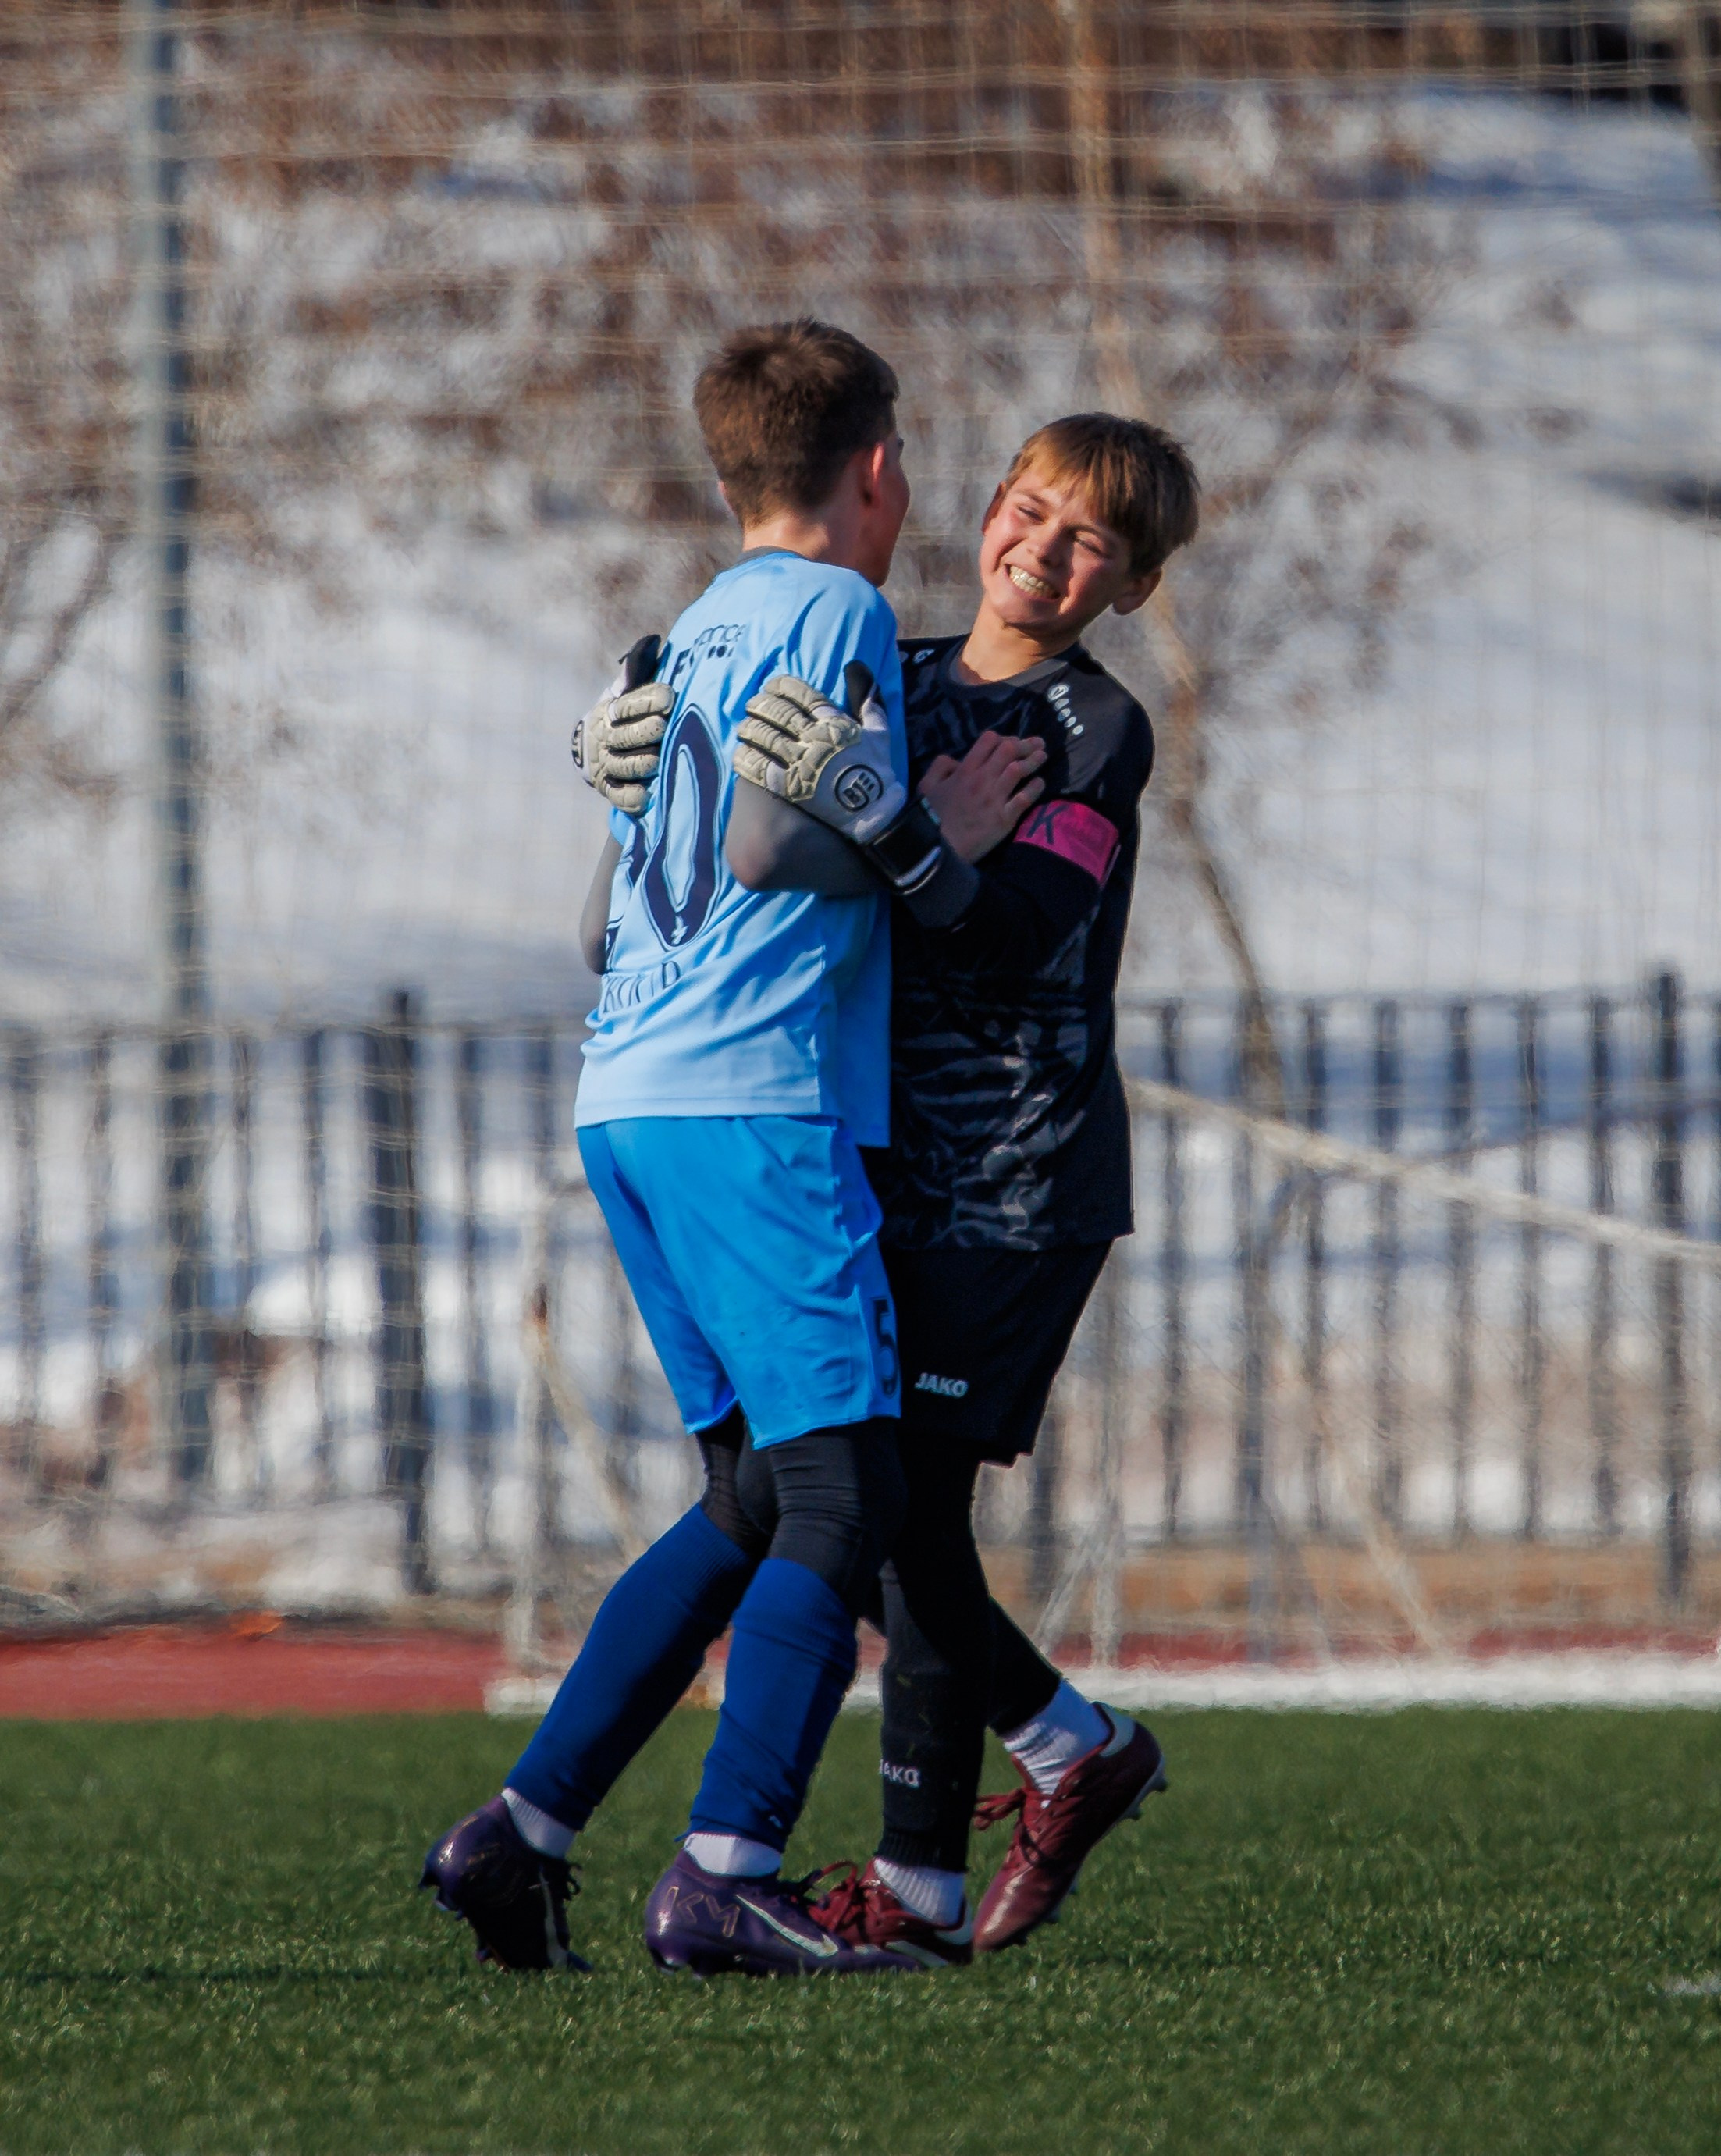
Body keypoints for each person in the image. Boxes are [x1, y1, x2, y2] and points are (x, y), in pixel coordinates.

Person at [421, 318, 1032, 1980]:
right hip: (749, 1100)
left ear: (719, 473)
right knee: (848, 1489)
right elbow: (773, 841)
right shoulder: (832, 607)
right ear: (881, 467)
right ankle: (723, 1867)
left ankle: (519, 1831)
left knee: (755, 1493)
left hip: (626, 1086)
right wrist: (926, 847)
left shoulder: (683, 630)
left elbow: (622, 901)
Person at [734, 412, 1199, 1963]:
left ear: (1125, 583)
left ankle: (940, 1864)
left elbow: (1005, 932)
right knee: (845, 1509)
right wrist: (638, 732)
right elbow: (755, 815)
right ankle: (1059, 1755)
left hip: (1013, 1183)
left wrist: (902, 843)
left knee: (906, 1509)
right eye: (1028, 510)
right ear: (985, 508)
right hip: (868, 1168)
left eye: (1089, 543)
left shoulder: (1094, 729)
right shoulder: (897, 666)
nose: (1042, 550)